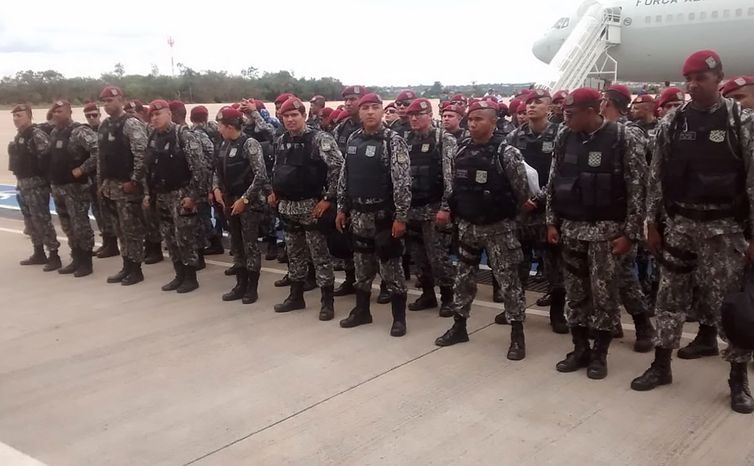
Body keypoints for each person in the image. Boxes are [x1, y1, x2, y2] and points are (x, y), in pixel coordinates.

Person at [631, 50, 754, 414]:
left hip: (724, 229)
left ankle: (737, 379)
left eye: (701, 77)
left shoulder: (740, 122)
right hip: (680, 226)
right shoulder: (674, 123)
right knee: (669, 300)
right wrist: (652, 223)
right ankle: (661, 365)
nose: (693, 84)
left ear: (718, 79)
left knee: (729, 307)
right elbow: (656, 178)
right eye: (689, 78)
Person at [546, 87, 646, 379]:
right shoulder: (565, 136)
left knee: (605, 297)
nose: (566, 119)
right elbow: (555, 180)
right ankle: (579, 348)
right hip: (572, 229)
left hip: (607, 232)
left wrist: (630, 234)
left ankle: (599, 354)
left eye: (571, 113)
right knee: (575, 294)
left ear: (592, 111)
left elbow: (637, 188)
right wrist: (551, 222)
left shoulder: (623, 137)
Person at [434, 100, 531, 360]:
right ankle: (459, 326)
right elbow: (453, 186)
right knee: (463, 279)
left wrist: (512, 219)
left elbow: (522, 191)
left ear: (493, 122)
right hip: (468, 226)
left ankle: (517, 335)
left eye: (479, 119)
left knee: (509, 282)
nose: (473, 123)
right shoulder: (461, 149)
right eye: (470, 119)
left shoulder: (506, 152)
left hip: (499, 228)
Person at [335, 93, 412, 337]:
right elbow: (345, 176)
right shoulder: (354, 139)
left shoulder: (393, 140)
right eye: (365, 108)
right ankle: (361, 312)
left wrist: (400, 217)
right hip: (358, 214)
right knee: (362, 267)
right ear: (359, 112)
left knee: (392, 269)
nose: (370, 112)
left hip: (383, 217)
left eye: (375, 107)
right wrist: (341, 207)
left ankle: (399, 319)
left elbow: (402, 181)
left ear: (381, 111)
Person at [268, 98, 344, 320]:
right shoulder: (281, 140)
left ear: (304, 115)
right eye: (286, 116)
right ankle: (296, 296)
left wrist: (328, 198)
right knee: (294, 254)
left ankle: (327, 302)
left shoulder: (320, 139)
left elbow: (339, 169)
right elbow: (277, 168)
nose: (290, 119)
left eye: (295, 115)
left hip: (312, 207)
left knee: (320, 256)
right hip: (288, 207)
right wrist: (275, 191)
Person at [600, 84, 656, 352]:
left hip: (622, 217)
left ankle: (643, 324)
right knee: (601, 275)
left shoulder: (628, 133)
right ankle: (611, 322)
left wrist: (632, 229)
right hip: (600, 214)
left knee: (624, 275)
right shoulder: (598, 133)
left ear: (608, 102)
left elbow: (638, 183)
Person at [507, 89, 568, 334]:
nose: (531, 106)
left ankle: (557, 314)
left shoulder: (561, 135)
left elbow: (562, 174)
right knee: (517, 264)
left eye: (537, 102)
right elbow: (508, 171)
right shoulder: (514, 136)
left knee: (554, 266)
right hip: (521, 212)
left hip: (549, 212)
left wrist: (539, 199)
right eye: (528, 102)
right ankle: (515, 310)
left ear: (550, 107)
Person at [145, 100, 206, 293]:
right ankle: (179, 274)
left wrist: (193, 196)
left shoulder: (183, 136)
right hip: (161, 195)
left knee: (184, 238)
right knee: (169, 238)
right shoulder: (153, 137)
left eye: (158, 114)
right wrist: (148, 193)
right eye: (152, 115)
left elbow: (199, 168)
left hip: (181, 194)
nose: (154, 118)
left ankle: (190, 277)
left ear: (169, 114)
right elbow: (149, 168)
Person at [403, 98, 457, 317]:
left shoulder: (443, 139)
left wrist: (445, 207)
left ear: (429, 115)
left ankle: (448, 297)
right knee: (418, 256)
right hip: (411, 208)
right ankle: (427, 294)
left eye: (419, 114)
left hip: (434, 208)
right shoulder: (405, 140)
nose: (414, 119)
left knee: (438, 257)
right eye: (411, 115)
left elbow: (450, 177)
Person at [213, 107, 271, 304]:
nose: (219, 129)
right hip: (229, 201)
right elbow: (217, 169)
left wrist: (244, 199)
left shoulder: (249, 143)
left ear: (230, 126)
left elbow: (260, 175)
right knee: (236, 244)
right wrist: (216, 188)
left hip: (248, 203)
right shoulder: (223, 144)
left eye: (221, 126)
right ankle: (240, 284)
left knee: (250, 246)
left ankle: (251, 288)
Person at [97, 86, 150, 285]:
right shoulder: (104, 126)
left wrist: (134, 180)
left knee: (132, 230)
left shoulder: (131, 124)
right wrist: (101, 182)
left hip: (127, 187)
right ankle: (126, 265)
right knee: (120, 230)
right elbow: (102, 157)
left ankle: (136, 269)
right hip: (111, 186)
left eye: (110, 100)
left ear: (120, 99)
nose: (106, 105)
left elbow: (141, 155)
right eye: (104, 101)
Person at [48, 100, 97, 277]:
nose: (56, 114)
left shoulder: (79, 131)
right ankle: (76, 257)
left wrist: (83, 169)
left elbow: (98, 150)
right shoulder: (54, 133)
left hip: (76, 188)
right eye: (54, 111)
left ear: (69, 112)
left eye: (60, 111)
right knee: (68, 226)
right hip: (59, 186)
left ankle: (86, 261)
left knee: (80, 225)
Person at [9, 103, 61, 270]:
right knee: (30, 220)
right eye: (14, 116)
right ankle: (38, 252)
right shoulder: (20, 135)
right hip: (23, 184)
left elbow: (48, 158)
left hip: (37, 184)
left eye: (20, 115)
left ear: (29, 115)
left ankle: (54, 255)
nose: (16, 119)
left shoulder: (36, 134)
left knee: (41, 220)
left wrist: (48, 181)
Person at [332, 85, 369, 297]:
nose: (348, 103)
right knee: (348, 240)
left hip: (372, 193)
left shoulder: (378, 129)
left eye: (353, 98)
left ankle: (383, 286)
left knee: (375, 246)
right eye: (346, 99)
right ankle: (350, 278)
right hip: (348, 193)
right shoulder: (341, 129)